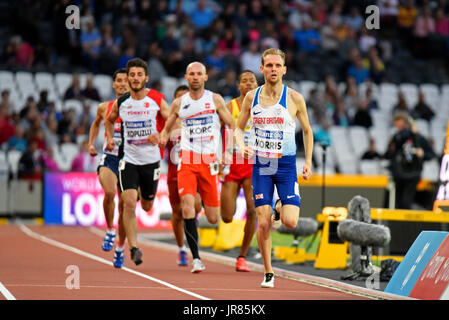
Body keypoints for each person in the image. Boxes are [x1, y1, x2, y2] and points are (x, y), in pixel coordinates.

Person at [234, 48, 314, 288]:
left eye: (277, 65)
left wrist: (308, 161)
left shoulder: (295, 98)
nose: (273, 69)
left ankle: (280, 206)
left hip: (287, 164)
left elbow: (308, 131)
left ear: (284, 69)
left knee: (289, 222)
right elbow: (238, 129)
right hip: (262, 164)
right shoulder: (252, 97)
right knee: (263, 219)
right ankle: (268, 272)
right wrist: (241, 146)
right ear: (262, 69)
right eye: (269, 65)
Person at [159, 62, 236, 273]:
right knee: (186, 205)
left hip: (209, 162)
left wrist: (228, 151)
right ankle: (196, 258)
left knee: (212, 217)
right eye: (191, 74)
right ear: (186, 77)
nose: (195, 77)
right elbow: (166, 131)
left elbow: (232, 124)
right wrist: (163, 137)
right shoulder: (178, 103)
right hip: (187, 161)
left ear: (205, 77)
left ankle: (198, 213)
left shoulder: (215, 99)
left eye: (198, 74)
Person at [105, 58, 170, 266]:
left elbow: (172, 120)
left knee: (148, 206)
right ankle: (133, 248)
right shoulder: (122, 101)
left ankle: (145, 194)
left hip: (151, 161)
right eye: (131, 75)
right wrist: (108, 137)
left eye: (139, 75)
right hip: (128, 159)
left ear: (146, 78)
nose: (134, 78)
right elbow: (108, 119)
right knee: (129, 202)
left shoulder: (157, 99)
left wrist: (161, 135)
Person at [87, 68, 128, 265]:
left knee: (125, 206)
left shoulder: (138, 108)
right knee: (110, 192)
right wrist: (91, 144)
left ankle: (120, 248)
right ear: (113, 84)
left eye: (125, 81)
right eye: (118, 80)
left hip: (130, 161)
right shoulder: (104, 107)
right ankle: (110, 229)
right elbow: (95, 124)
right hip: (109, 158)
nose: (122, 84)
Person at [220, 70, 258, 272]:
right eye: (244, 81)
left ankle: (242, 256)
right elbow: (215, 130)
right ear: (239, 87)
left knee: (253, 210)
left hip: (254, 163)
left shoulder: (265, 108)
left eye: (252, 80)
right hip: (232, 162)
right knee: (226, 216)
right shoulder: (229, 106)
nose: (249, 83)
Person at [165, 85, 203, 267]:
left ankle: (193, 222)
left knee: (194, 205)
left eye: (184, 97)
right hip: (173, 174)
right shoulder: (169, 122)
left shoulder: (197, 120)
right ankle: (181, 249)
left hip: (193, 171)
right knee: (177, 213)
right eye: (178, 98)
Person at [384, 114, 436, 209]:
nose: (399, 127)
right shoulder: (397, 138)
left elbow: (431, 154)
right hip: (399, 175)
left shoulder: (419, 138)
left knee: (406, 202)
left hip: (413, 174)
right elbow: (388, 155)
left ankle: (407, 222)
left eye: (400, 124)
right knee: (397, 203)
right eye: (397, 125)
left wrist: (423, 153)